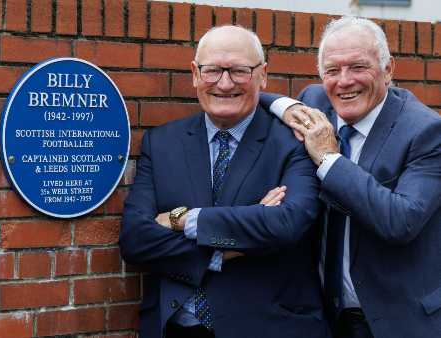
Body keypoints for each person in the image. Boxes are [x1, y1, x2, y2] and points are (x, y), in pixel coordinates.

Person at [119, 25, 331, 338]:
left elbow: (287, 224)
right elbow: (135, 240)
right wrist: (229, 247)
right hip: (174, 327)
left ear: (262, 75)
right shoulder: (161, 143)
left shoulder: (295, 143)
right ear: (194, 74)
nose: (224, 83)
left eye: (239, 71)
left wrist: (182, 220)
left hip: (268, 327)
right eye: (213, 70)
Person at [260, 16, 441, 338]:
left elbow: (400, 221)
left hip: (400, 320)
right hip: (326, 317)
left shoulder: (426, 131)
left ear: (388, 69)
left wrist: (329, 159)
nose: (344, 81)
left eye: (358, 67)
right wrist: (286, 106)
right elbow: (256, 95)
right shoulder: (316, 102)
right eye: (332, 70)